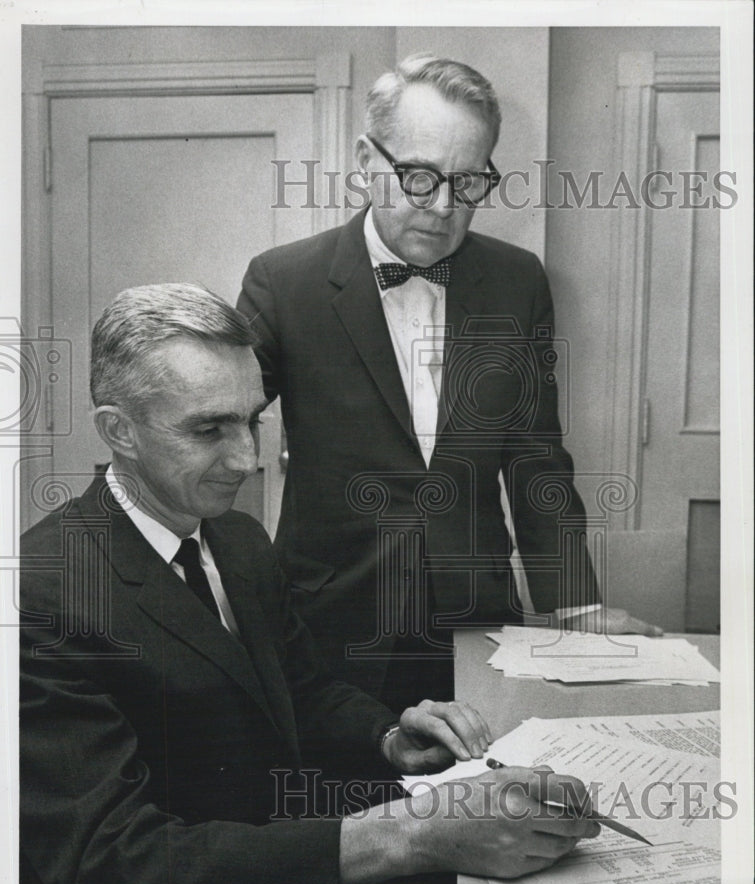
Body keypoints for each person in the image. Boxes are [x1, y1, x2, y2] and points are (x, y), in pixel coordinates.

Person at [19, 283, 600, 884]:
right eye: (209, 430)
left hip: (289, 867)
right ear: (118, 430)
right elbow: (110, 875)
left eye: (251, 422)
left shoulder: (235, 539)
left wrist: (389, 737)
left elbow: (299, 689)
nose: (245, 459)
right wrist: (405, 836)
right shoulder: (41, 593)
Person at [237, 53, 661, 714]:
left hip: (475, 619)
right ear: (363, 161)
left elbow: (534, 456)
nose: (441, 208)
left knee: (481, 801)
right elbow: (214, 423)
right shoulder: (282, 280)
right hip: (329, 623)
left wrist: (575, 605)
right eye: (417, 177)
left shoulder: (517, 282)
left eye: (467, 183)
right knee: (348, 803)